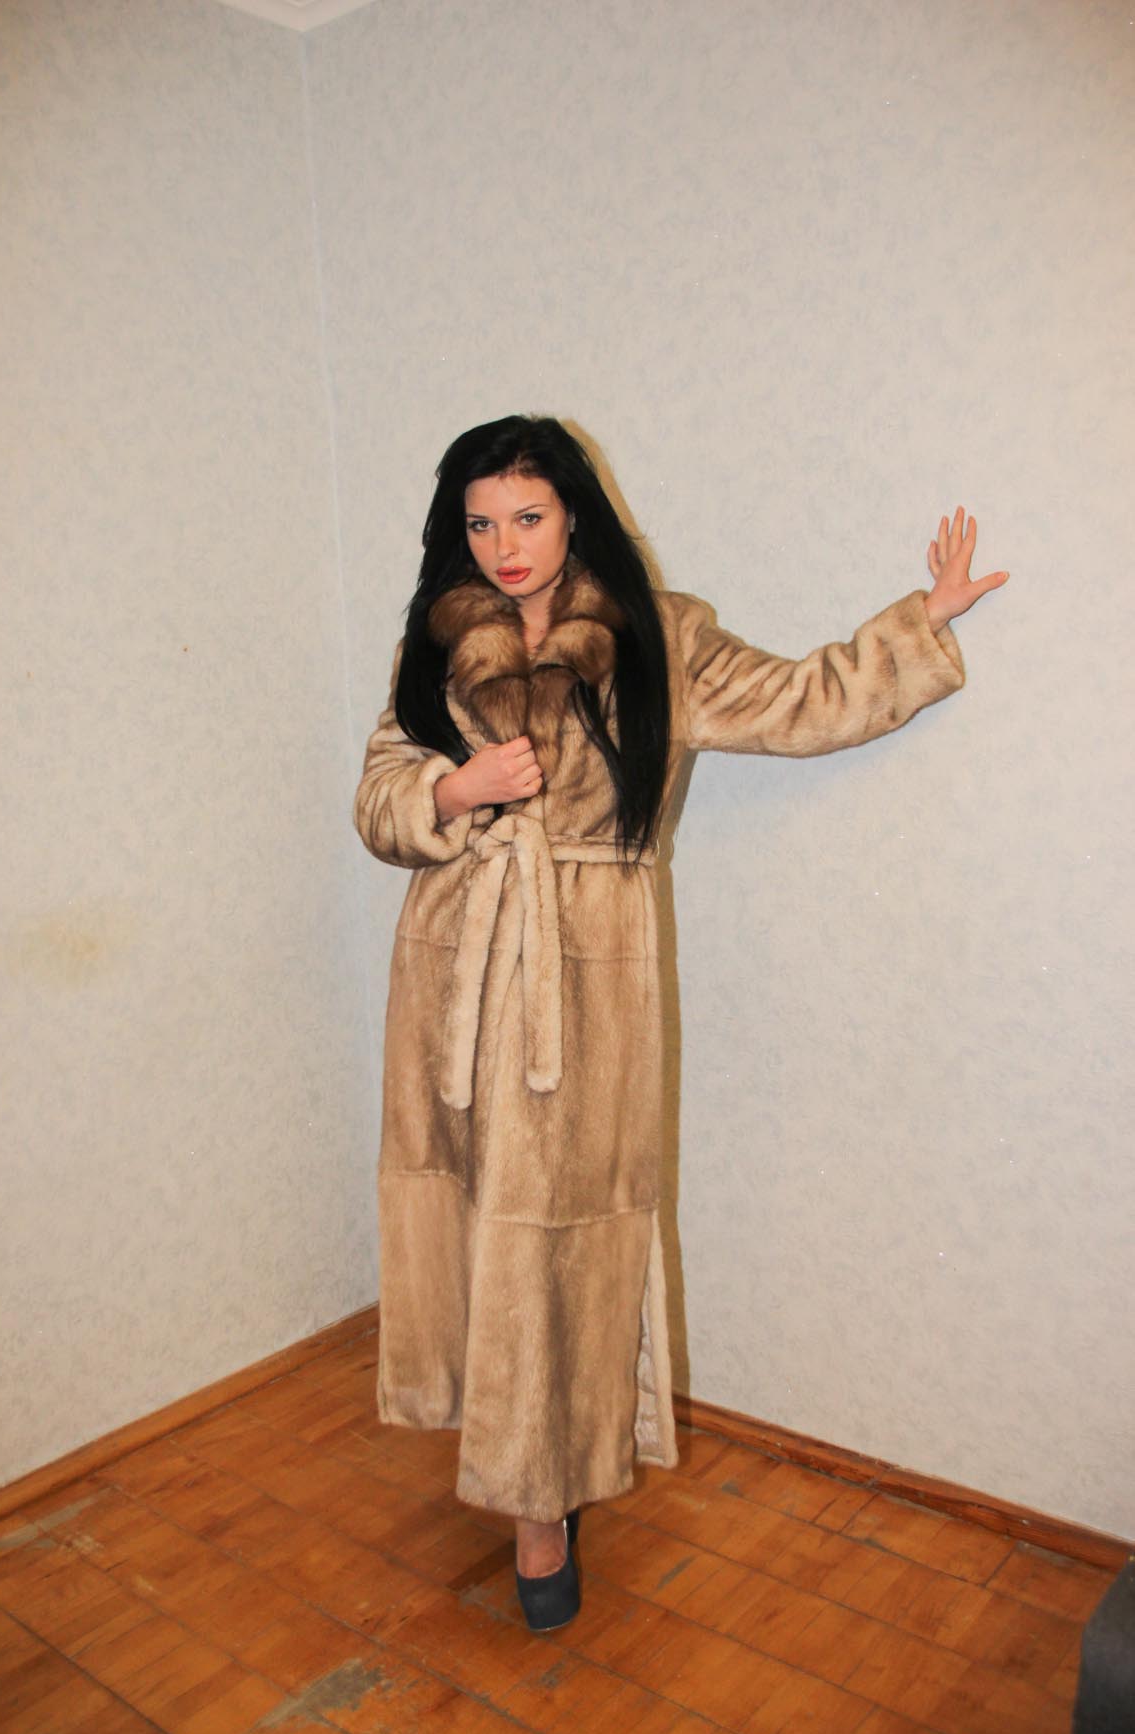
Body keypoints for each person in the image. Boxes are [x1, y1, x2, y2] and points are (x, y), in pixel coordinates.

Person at [353, 414, 1008, 1632]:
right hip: (451, 971)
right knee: (468, 1218)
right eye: (479, 522)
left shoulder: (658, 634)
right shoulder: (433, 641)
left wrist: (923, 619)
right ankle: (502, 1448)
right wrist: (453, 789)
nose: (503, 545)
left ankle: (538, 1501)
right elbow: (377, 797)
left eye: (527, 516)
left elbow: (800, 700)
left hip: (584, 981)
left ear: (574, 512)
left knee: (559, 1241)